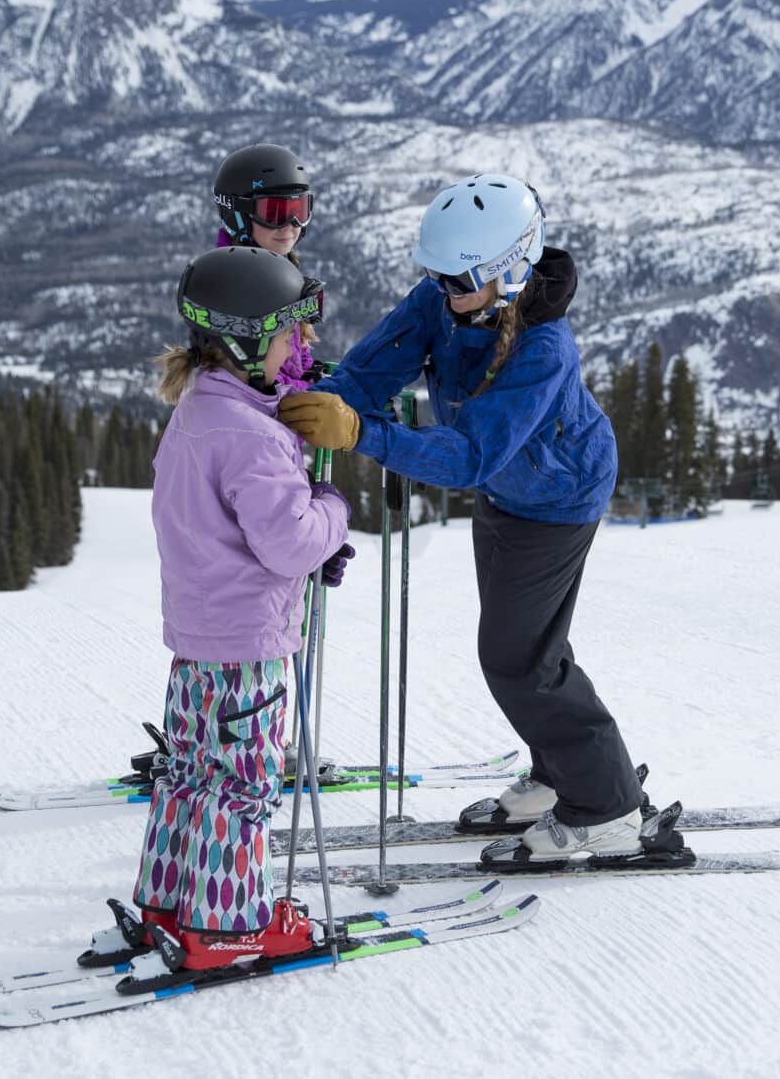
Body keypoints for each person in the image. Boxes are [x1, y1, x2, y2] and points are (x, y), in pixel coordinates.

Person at [277, 174, 644, 859]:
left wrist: (361, 434)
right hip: (509, 490)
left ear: (507, 272)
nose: (443, 290)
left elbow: (472, 452)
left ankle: (608, 804)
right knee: (529, 648)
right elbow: (371, 370)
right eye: (435, 276)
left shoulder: (544, 349)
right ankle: (555, 774)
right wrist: (317, 408)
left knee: (518, 658)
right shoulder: (445, 302)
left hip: (558, 499)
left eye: (460, 279)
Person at [128, 245, 354, 970]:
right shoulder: (252, 438)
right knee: (242, 788)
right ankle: (227, 924)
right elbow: (290, 544)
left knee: (192, 777)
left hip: (197, 647)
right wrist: (331, 511)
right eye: (291, 332)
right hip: (247, 653)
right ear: (245, 340)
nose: (304, 345)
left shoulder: (201, 412)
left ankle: (171, 899)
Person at [212, 142, 321, 390]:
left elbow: (298, 354)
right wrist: (309, 394)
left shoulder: (279, 270)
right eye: (273, 213)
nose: (290, 225)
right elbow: (251, 377)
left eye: (299, 211)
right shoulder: (233, 290)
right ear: (237, 214)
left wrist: (314, 380)